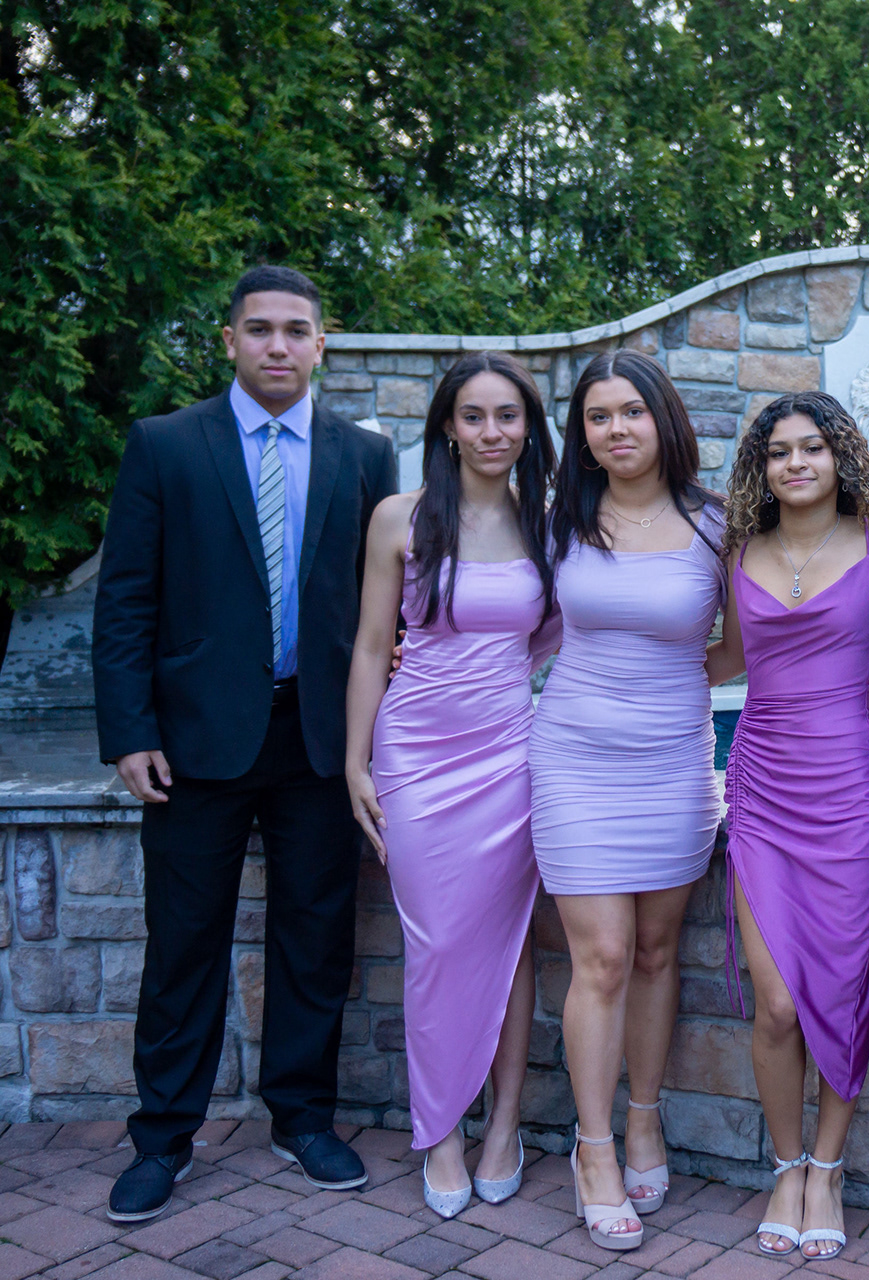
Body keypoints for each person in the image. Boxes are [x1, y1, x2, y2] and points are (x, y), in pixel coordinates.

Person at [92, 265, 396, 1221]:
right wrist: (129, 730)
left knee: (316, 938)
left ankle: (302, 1118)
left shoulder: (365, 456)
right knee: (185, 943)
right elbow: (126, 598)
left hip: (318, 739)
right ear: (229, 340)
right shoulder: (165, 445)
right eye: (260, 328)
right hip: (194, 742)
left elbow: (382, 613)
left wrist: (378, 738)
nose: (278, 345)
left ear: (320, 343)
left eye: (296, 329)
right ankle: (163, 1137)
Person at [342, 352, 556, 1218]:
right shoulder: (400, 518)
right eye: (474, 416)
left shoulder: (550, 523)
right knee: (434, 946)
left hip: (509, 756)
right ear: (446, 427)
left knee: (511, 944)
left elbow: (565, 634)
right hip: (418, 757)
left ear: (528, 428)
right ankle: (440, 1132)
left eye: (508, 415)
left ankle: (504, 1124)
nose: (492, 432)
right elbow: (370, 646)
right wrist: (355, 762)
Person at [530, 350, 729, 1251]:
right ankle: (595, 1148)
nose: (616, 429)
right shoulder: (559, 519)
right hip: (575, 758)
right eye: (598, 415)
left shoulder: (718, 524)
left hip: (673, 761)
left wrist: (671, 682)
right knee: (604, 957)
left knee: (654, 951)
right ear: (582, 433)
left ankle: (644, 1115)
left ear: (664, 420)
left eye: (632, 412)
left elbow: (750, 644)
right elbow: (515, 622)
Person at [706, 392, 869, 1263]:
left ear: (841, 458)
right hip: (762, 790)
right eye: (780, 451)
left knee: (841, 991)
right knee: (779, 1003)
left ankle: (827, 1169)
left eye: (813, 448)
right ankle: (785, 1166)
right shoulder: (739, 551)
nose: (796, 463)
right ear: (762, 467)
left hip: (849, 794)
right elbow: (725, 657)